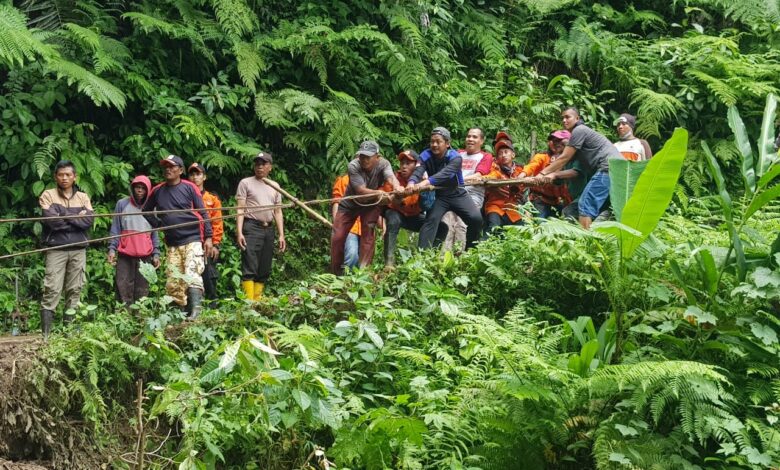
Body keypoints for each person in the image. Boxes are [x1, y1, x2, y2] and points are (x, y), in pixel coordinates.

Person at [142, 154, 213, 319]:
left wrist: (208, 237)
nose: (168, 170)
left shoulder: (189, 187)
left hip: (192, 238)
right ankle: (179, 314)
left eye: (171, 166)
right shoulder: (158, 190)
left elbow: (203, 212)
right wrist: (159, 224)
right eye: (165, 167)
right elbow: (146, 210)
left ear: (180, 170)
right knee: (173, 280)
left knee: (192, 270)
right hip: (172, 242)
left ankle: (196, 310)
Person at [538, 107, 622, 229]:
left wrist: (542, 173)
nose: (564, 120)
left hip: (607, 168)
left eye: (567, 117)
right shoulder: (581, 141)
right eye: (562, 118)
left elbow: (565, 158)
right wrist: (553, 175)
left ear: (577, 118)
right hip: (614, 169)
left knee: (586, 204)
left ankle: (585, 241)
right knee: (606, 207)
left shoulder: (579, 131)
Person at [38, 160, 94, 337]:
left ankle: (69, 333)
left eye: (68, 174)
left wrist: (64, 215)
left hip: (78, 248)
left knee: (75, 289)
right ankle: (46, 336)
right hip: (56, 248)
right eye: (61, 174)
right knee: (52, 289)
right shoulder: (48, 195)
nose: (64, 178)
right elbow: (52, 222)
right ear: (55, 176)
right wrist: (76, 217)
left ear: (75, 177)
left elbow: (88, 221)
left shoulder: (83, 197)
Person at [406, 127, 483, 250]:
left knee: (476, 219)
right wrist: (411, 182)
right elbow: (418, 171)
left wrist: (425, 182)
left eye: (438, 141)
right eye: (432, 141)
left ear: (447, 143)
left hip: (457, 193)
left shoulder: (455, 157)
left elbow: (445, 174)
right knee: (430, 221)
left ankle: (470, 251)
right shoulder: (425, 155)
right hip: (439, 196)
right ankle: (422, 256)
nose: (434, 145)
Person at [331, 140, 400, 275]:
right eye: (362, 156)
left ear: (377, 157)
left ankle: (363, 272)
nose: (364, 159)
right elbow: (360, 190)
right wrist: (378, 193)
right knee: (337, 237)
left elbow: (391, 178)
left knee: (368, 235)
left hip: (371, 204)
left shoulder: (384, 164)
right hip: (350, 204)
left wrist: (397, 187)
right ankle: (336, 273)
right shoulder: (353, 166)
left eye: (368, 156)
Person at [383, 150, 448, 266]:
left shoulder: (423, 181)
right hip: (397, 214)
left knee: (442, 227)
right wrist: (400, 196)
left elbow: (427, 205)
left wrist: (424, 188)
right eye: (402, 163)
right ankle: (389, 262)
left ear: (417, 166)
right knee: (393, 219)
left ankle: (429, 259)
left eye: (408, 163)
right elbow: (389, 198)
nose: (403, 166)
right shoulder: (394, 178)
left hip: (413, 217)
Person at [236, 152, 286, 300]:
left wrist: (281, 234)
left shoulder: (275, 186)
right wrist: (239, 232)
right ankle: (248, 303)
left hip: (268, 229)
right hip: (251, 226)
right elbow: (239, 209)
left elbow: (278, 211)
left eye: (263, 164)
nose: (260, 167)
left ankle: (257, 301)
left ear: (270, 167)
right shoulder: (245, 183)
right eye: (257, 164)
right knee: (250, 264)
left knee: (264, 266)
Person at [107, 175, 161, 307]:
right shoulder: (122, 204)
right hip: (125, 254)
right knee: (122, 285)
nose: (140, 190)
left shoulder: (152, 207)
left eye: (143, 188)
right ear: (133, 188)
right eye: (137, 187)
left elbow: (155, 232)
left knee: (142, 289)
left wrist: (156, 253)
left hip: (145, 254)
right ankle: (123, 317)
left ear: (148, 190)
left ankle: (139, 318)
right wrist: (112, 249)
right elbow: (116, 228)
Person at [441, 128, 493, 252]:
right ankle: (443, 258)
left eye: (474, 137)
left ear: (482, 140)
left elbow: (478, 175)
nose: (470, 139)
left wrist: (457, 181)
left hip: (471, 195)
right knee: (447, 222)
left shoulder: (485, 156)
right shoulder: (457, 153)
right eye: (468, 136)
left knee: (460, 223)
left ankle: (459, 258)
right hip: (452, 193)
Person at [521, 130, 582, 218]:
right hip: (540, 198)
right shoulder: (542, 157)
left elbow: (566, 189)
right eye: (554, 141)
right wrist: (523, 174)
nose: (555, 144)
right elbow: (531, 166)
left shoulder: (571, 161)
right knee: (541, 223)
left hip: (559, 201)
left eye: (559, 141)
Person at [188, 163, 223, 306]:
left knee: (209, 273)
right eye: (192, 174)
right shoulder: (185, 197)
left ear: (204, 177)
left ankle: (212, 304)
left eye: (198, 174)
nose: (195, 177)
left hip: (207, 243)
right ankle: (191, 305)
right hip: (189, 240)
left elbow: (217, 223)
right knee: (190, 273)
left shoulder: (212, 199)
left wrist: (216, 244)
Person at [484, 141, 525, 232]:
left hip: (513, 208)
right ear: (497, 158)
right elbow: (490, 176)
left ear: (513, 155)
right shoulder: (495, 169)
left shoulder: (520, 170)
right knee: (493, 228)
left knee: (522, 230)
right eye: (500, 153)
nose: (503, 155)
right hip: (495, 206)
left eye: (506, 152)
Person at [331, 174, 362, 270]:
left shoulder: (371, 181)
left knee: (362, 262)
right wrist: (338, 224)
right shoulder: (345, 180)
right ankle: (346, 281)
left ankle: (353, 282)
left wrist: (383, 225)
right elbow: (337, 201)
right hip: (349, 225)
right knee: (352, 255)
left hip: (365, 227)